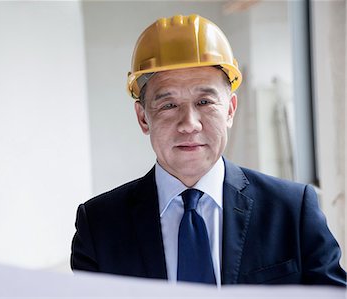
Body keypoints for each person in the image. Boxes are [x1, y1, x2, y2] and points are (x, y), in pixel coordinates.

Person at [70, 14, 346, 286]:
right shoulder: (99, 226)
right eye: (168, 105)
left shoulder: (291, 211)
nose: (189, 124)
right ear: (143, 118)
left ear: (229, 109)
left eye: (204, 102)